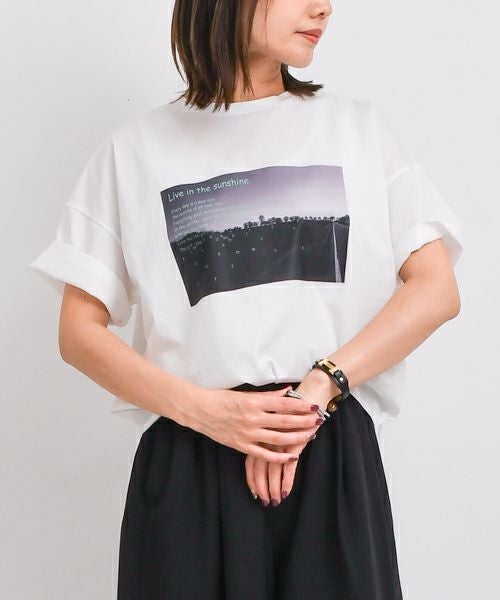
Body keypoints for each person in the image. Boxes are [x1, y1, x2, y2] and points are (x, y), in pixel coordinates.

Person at [28, 0, 464, 598]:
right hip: (191, 455)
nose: (323, 7)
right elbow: (78, 332)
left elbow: (436, 289)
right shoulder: (135, 150)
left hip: (327, 449)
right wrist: (210, 413)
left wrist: (317, 391)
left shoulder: (357, 130)